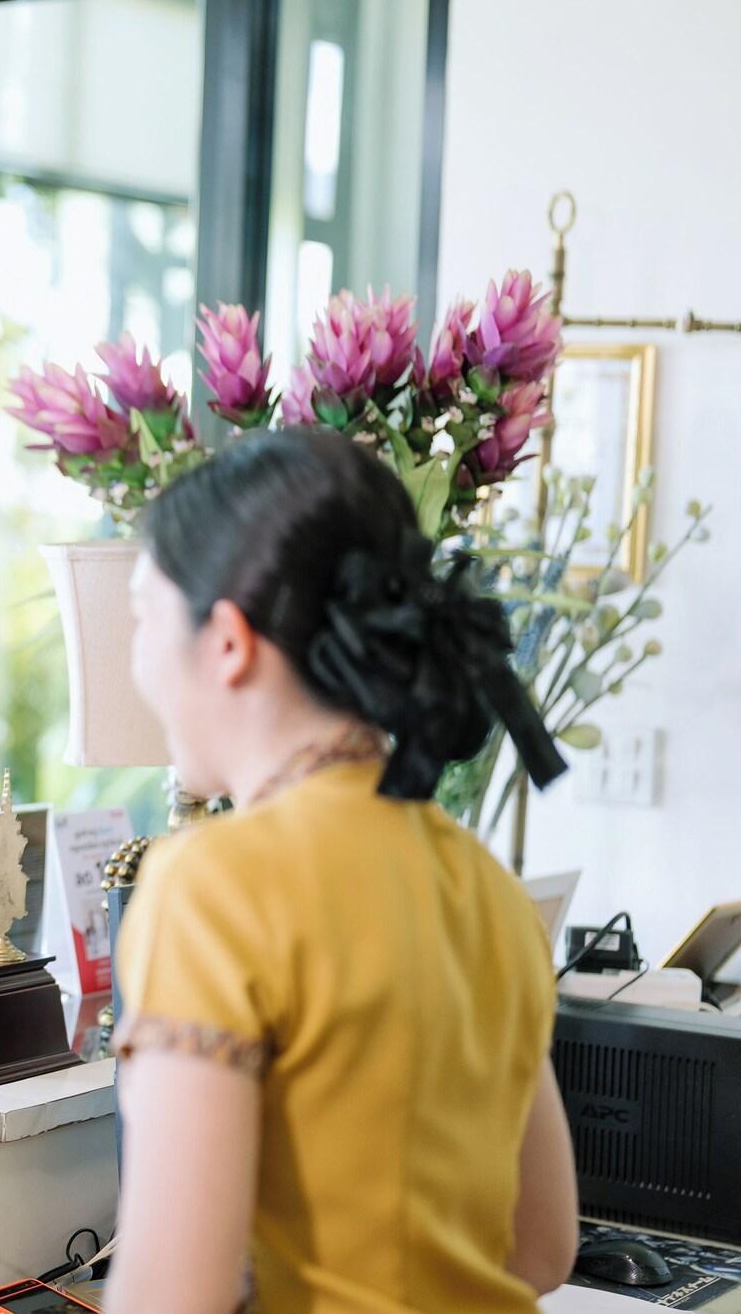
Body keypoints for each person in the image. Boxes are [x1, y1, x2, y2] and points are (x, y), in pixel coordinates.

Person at [108, 430, 580, 1311]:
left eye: (141, 619)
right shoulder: (487, 885)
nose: (134, 661)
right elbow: (542, 1246)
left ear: (228, 642)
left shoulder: (211, 886)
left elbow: (173, 1297)